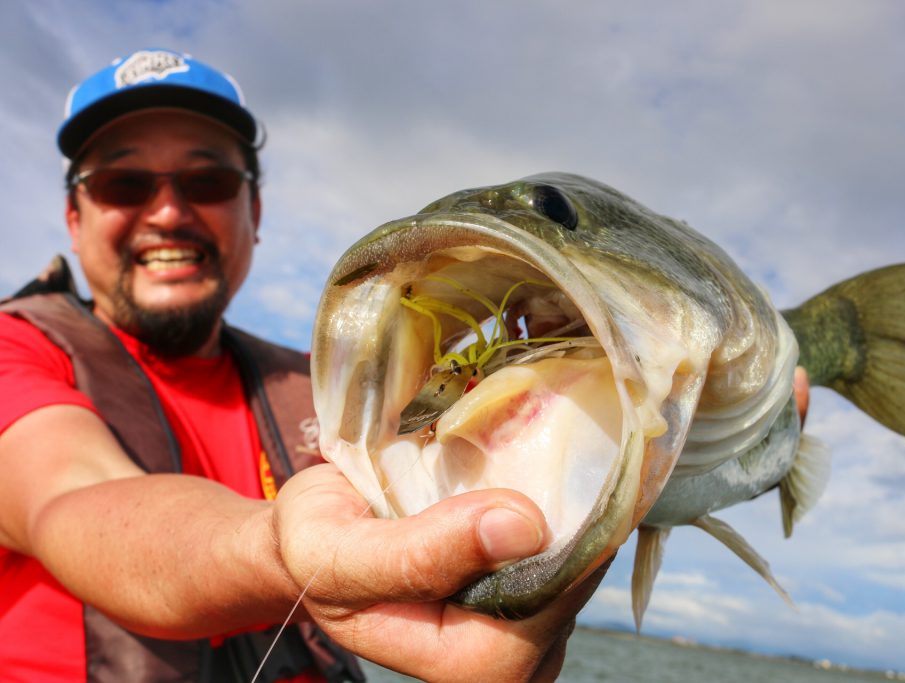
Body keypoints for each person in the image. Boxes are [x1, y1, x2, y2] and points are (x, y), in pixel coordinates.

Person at [0, 49, 600, 683]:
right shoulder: (17, 348)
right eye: (123, 185)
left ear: (253, 214)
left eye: (208, 182)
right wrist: (280, 551)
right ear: (74, 219)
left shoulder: (332, 389)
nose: (168, 212)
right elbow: (69, 498)